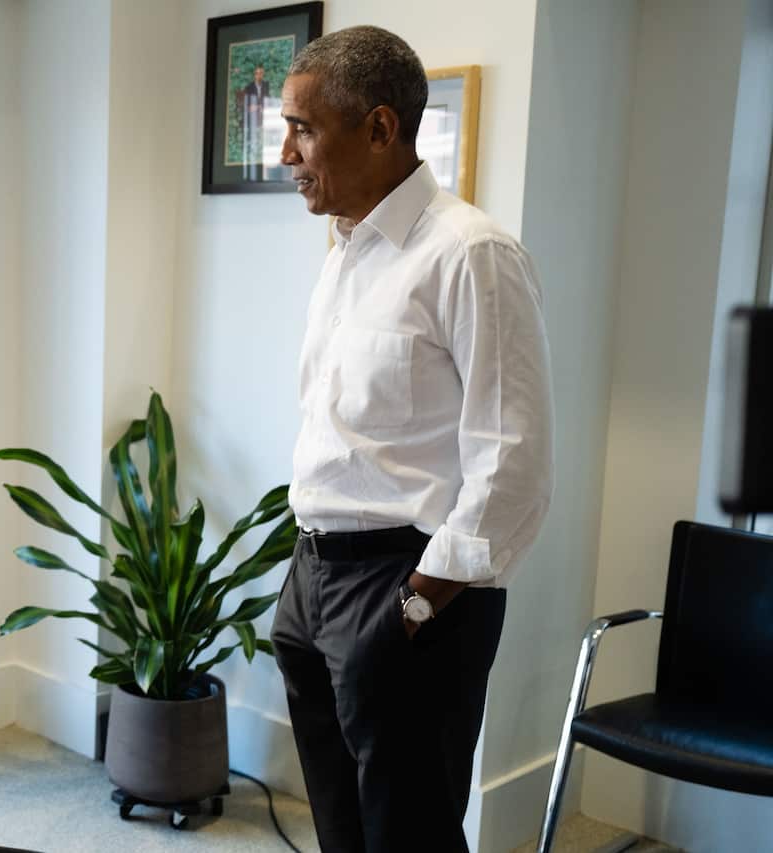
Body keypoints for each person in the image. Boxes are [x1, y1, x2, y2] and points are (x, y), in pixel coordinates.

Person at [269, 26, 554, 852]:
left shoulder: (473, 254)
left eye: (304, 127)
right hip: (315, 576)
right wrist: (304, 592)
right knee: (342, 824)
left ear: (382, 129)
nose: (286, 150)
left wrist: (418, 605)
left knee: (410, 830)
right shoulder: (348, 251)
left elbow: (516, 461)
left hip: (412, 584)